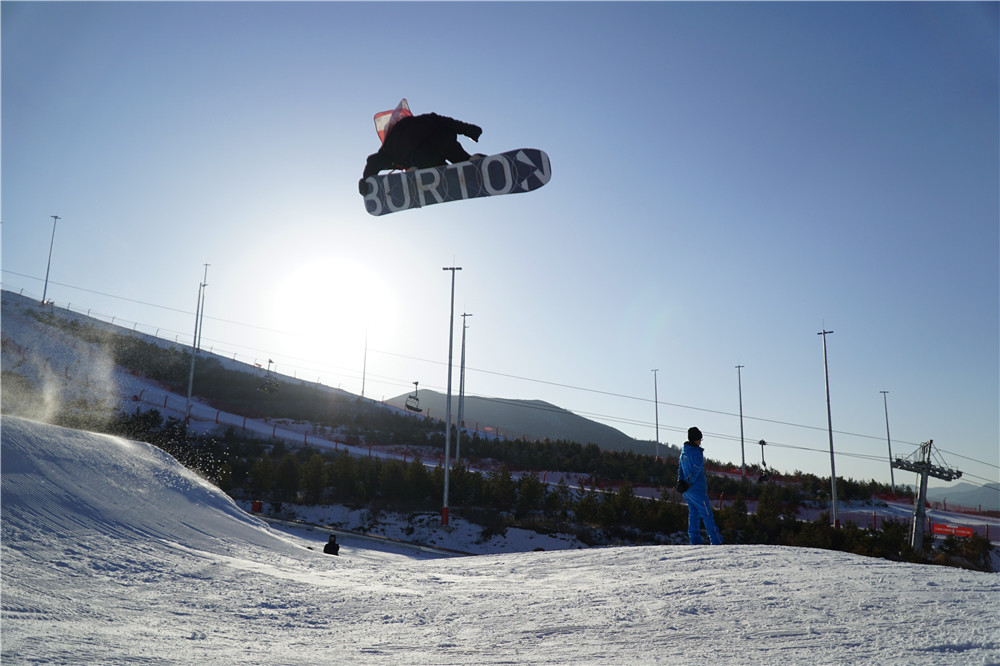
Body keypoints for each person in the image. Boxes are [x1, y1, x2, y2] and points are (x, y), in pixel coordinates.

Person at [359, 99, 483, 194]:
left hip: (418, 157)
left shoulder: (389, 144)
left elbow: (374, 162)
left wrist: (366, 180)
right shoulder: (419, 119)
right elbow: (444, 121)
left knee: (438, 169)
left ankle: (416, 171)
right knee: (455, 153)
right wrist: (469, 129)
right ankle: (470, 160)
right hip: (442, 140)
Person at [678, 427, 723, 545]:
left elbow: (680, 469)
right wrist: (688, 482)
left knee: (693, 514)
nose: (700, 442)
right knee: (707, 514)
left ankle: (695, 540)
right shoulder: (697, 453)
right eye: (699, 439)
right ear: (695, 439)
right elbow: (696, 470)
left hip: (687, 490)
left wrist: (681, 482)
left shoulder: (683, 452)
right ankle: (716, 540)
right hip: (696, 489)